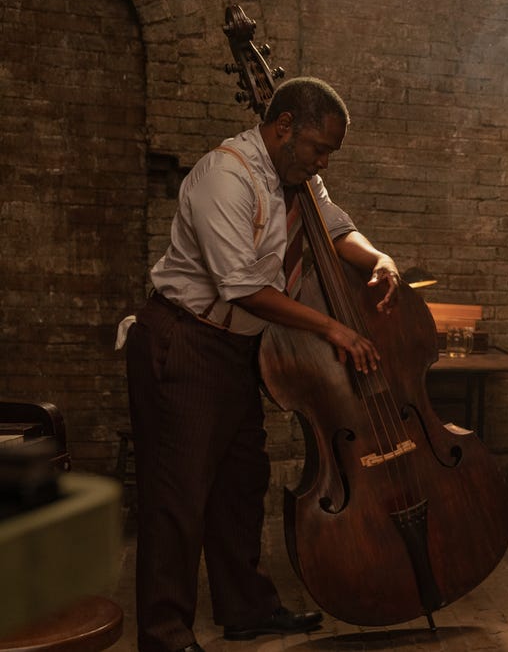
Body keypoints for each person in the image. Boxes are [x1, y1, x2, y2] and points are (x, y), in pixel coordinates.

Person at [123, 77, 402, 652]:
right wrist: (334, 328)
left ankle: (245, 609)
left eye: (330, 152)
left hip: (234, 350)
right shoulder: (225, 176)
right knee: (177, 497)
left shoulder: (298, 177)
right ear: (282, 128)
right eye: (318, 148)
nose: (323, 161)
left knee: (240, 484)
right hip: (184, 340)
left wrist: (381, 259)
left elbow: (338, 229)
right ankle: (164, 634)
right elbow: (243, 287)